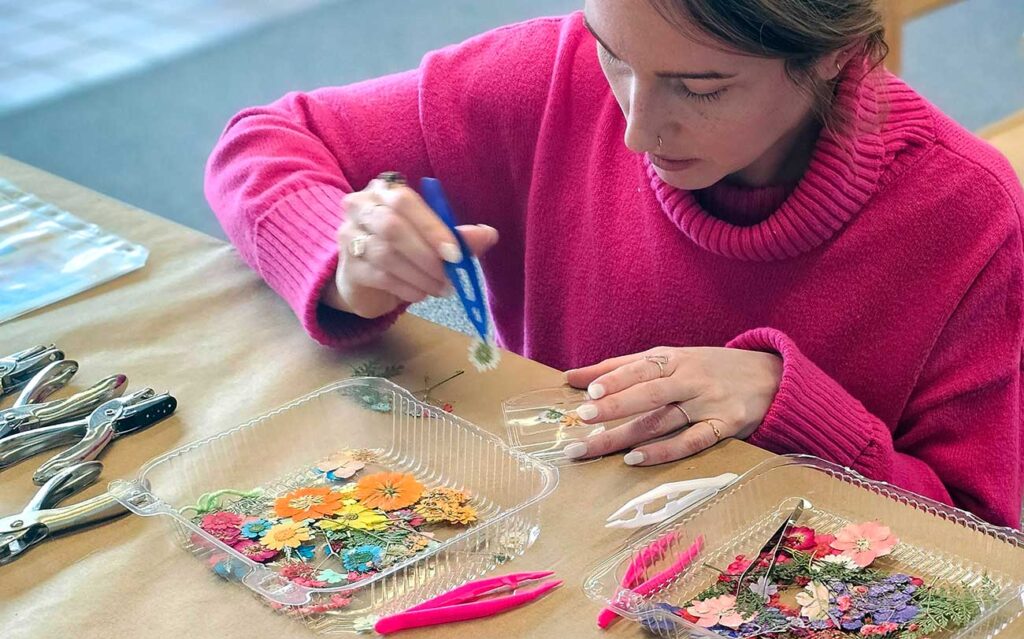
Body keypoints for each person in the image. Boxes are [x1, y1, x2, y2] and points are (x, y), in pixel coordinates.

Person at [205, 1, 1024, 527]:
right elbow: (265, 140)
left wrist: (790, 405)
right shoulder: (552, 74)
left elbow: (986, 537)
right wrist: (341, 253)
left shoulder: (969, 215)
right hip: (554, 544)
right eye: (615, 55)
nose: (635, 129)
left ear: (833, 57)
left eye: (700, 88)